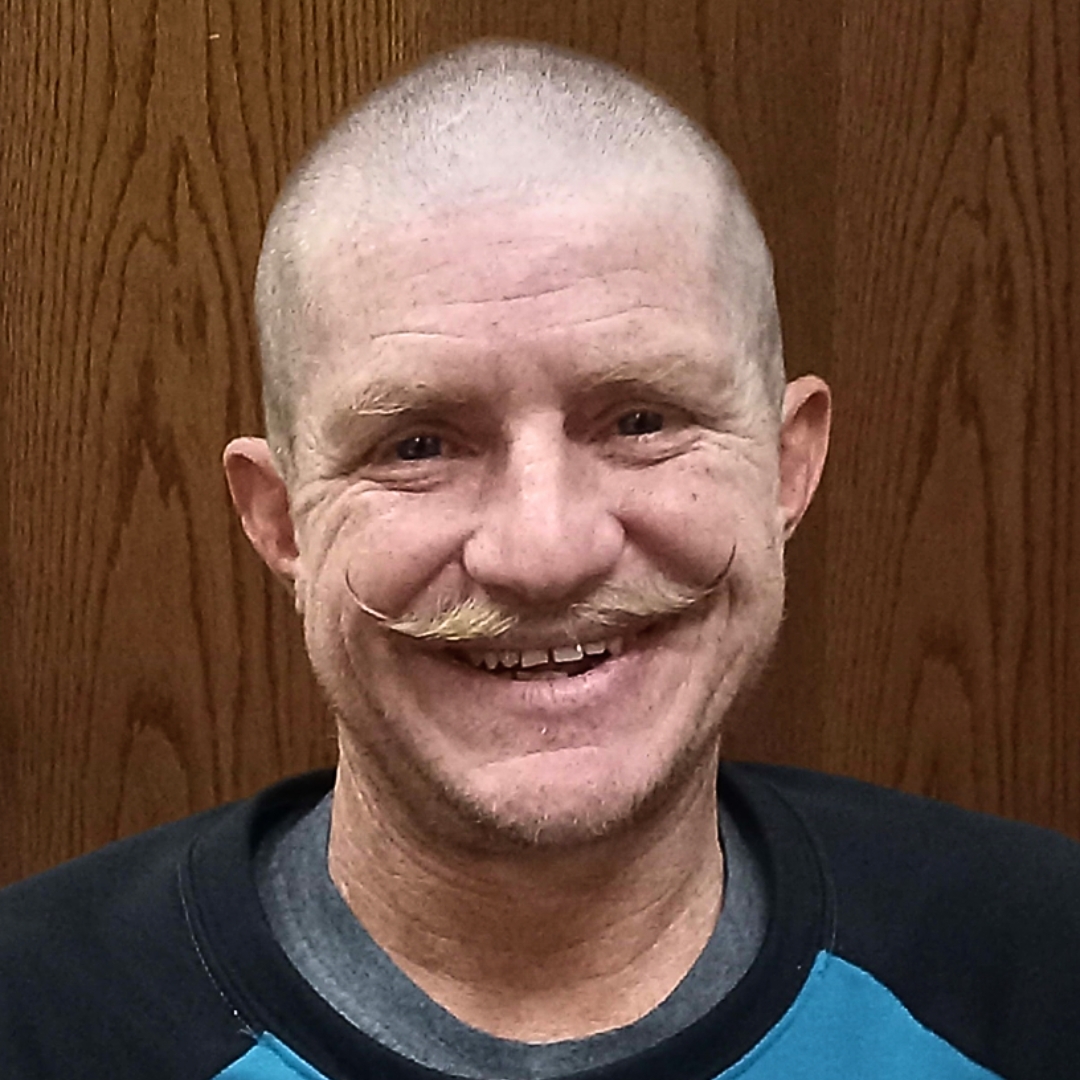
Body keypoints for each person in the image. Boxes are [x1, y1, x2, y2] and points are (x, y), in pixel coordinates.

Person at [1, 39, 1078, 1080]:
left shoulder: (1041, 976)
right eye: (418, 445)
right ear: (282, 521)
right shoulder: (37, 1020)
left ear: (786, 469)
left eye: (642, 421)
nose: (544, 552)